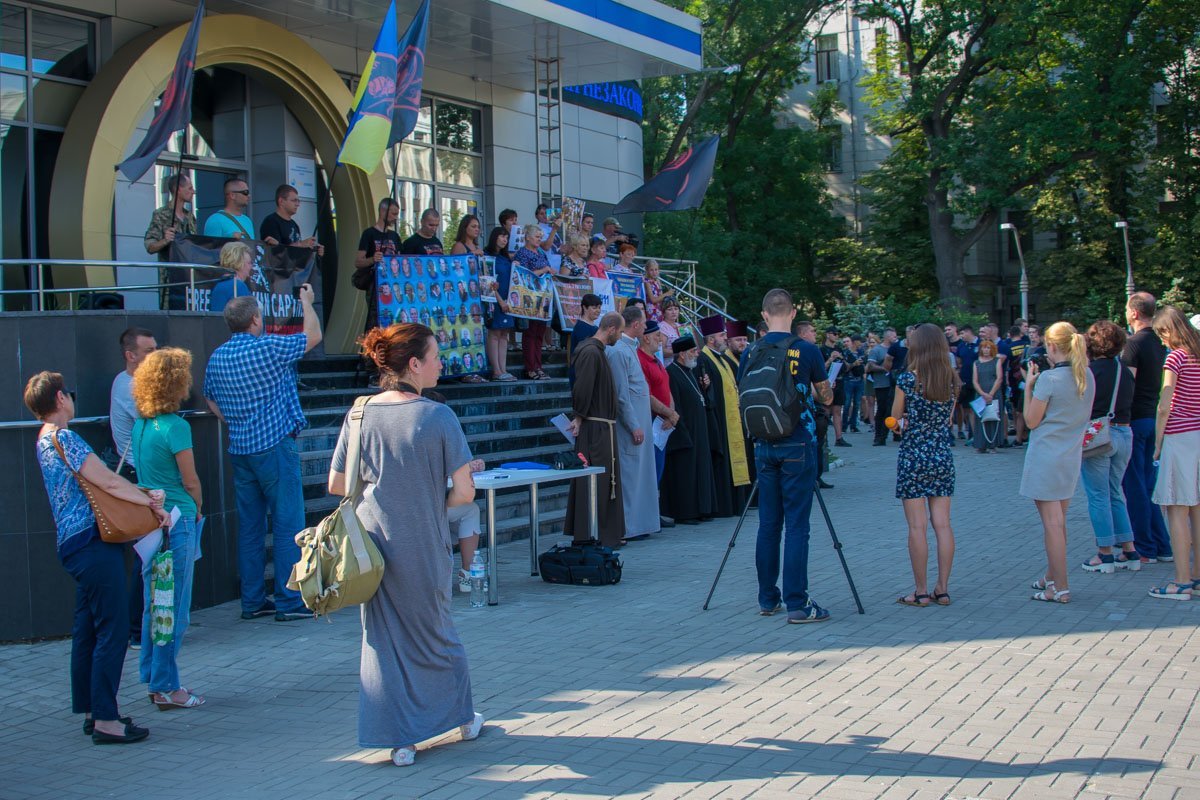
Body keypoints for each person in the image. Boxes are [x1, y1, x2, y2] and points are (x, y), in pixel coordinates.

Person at [326, 323, 483, 766]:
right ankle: (461, 717)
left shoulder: (359, 413)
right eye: (435, 355)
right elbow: (465, 492)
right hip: (421, 538)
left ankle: (399, 739)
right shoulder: (438, 415)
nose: (440, 362)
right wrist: (432, 497)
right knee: (436, 633)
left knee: (383, 639)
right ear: (413, 364)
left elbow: (338, 482)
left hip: (369, 543)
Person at [25, 371, 167, 744]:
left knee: (88, 629)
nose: (72, 397)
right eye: (68, 392)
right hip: (91, 542)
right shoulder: (65, 437)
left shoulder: (42, 439)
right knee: (113, 629)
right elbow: (105, 479)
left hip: (71, 545)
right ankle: (106, 719)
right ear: (59, 398)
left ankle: (92, 709)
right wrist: (149, 501)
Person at [202, 290, 321, 622]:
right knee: (288, 525)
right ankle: (289, 600)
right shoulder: (267, 348)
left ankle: (253, 601)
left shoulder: (218, 357)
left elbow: (210, 400)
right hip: (274, 447)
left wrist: (237, 421)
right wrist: (307, 303)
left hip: (240, 449)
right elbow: (313, 337)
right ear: (255, 319)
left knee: (251, 528)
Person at [750, 289, 832, 623]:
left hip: (763, 443)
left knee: (768, 524)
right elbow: (826, 397)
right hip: (798, 441)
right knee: (797, 525)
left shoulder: (751, 350)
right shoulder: (807, 349)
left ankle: (768, 598)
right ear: (794, 312)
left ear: (765, 314)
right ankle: (797, 602)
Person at [130, 347, 205, 710]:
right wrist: (198, 507)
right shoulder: (177, 426)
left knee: (154, 603)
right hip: (178, 520)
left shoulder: (141, 424)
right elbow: (190, 482)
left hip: (152, 522)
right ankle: (166, 685)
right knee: (175, 607)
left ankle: (154, 677)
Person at [1023, 322, 1095, 604]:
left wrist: (1029, 386)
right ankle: (1053, 576)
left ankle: (1060, 586)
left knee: (1052, 525)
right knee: (1058, 522)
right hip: (1069, 455)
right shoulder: (1085, 375)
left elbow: (1031, 420)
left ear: (1051, 347)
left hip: (1046, 457)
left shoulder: (1049, 380)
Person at [891, 324, 960, 607]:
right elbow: (947, 418)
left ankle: (920, 591)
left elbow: (894, 421)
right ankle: (942, 588)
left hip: (913, 456)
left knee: (917, 527)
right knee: (943, 525)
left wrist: (902, 421)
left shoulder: (908, 380)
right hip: (941, 454)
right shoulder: (951, 379)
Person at [1147, 307, 1200, 600]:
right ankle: (1197, 576)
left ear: (1168, 330)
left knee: (1177, 509)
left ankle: (1181, 582)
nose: (1162, 341)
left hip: (1180, 436)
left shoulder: (1176, 357)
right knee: (1197, 508)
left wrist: (1158, 443)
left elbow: (1164, 403)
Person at [1078, 320, 1138, 574]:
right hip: (1124, 430)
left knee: (1098, 495)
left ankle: (1104, 554)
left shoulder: (1092, 371)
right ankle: (1129, 549)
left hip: (1100, 434)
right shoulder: (1122, 368)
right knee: (1115, 493)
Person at [110, 327, 157, 648]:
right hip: (139, 479)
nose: (156, 357)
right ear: (131, 355)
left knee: (151, 555)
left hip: (143, 476)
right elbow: (157, 413)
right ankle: (136, 629)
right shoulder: (128, 386)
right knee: (147, 556)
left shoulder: (129, 382)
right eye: (149, 352)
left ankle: (141, 626)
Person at [565, 312, 626, 548]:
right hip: (595, 429)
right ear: (610, 328)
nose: (619, 337)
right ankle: (592, 533)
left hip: (603, 428)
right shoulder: (591, 352)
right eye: (619, 332)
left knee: (605, 482)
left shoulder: (597, 351)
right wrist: (579, 417)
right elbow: (583, 388)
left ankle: (605, 533)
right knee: (597, 482)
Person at [1122, 292, 1173, 563]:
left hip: (1134, 420)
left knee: (1135, 486)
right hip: (1152, 418)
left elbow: (1128, 385)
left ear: (1134, 313)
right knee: (1148, 484)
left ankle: (1144, 547)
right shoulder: (1158, 342)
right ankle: (1162, 545)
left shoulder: (1134, 344)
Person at [608, 305, 660, 541]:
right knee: (629, 477)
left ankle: (641, 523)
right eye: (644, 321)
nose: (647, 325)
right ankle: (628, 526)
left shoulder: (631, 348)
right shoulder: (619, 351)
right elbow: (621, 394)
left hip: (641, 421)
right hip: (631, 424)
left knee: (642, 476)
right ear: (636, 324)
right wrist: (633, 424)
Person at [696, 315, 751, 517]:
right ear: (711, 339)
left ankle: (736, 504)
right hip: (718, 420)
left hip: (730, 420)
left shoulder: (723, 360)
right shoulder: (703, 359)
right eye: (721, 335)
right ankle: (725, 506)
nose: (725, 337)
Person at [661, 336, 717, 524]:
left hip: (699, 430)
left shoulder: (691, 372)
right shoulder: (672, 373)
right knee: (686, 474)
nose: (697, 354)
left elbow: (700, 399)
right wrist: (682, 430)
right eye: (693, 351)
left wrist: (705, 388)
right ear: (683, 354)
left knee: (699, 472)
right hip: (684, 432)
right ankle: (686, 513)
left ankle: (702, 509)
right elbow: (674, 404)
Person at [143, 173, 197, 310]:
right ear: (179, 189)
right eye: (190, 188)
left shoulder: (190, 217)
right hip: (170, 281)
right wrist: (165, 240)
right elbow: (150, 246)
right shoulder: (161, 215)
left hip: (190, 279)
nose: (193, 192)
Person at [637, 319, 679, 484]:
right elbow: (645, 395)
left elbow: (667, 389)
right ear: (646, 338)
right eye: (657, 336)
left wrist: (671, 414)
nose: (661, 340)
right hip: (652, 421)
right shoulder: (640, 359)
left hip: (663, 422)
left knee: (658, 470)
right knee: (651, 471)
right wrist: (669, 413)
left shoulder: (656, 360)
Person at [352, 199, 402, 332]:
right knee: (375, 321)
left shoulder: (394, 236)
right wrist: (372, 259)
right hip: (375, 285)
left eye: (397, 214)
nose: (395, 218)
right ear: (383, 211)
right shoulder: (369, 234)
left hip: (392, 284)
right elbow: (358, 261)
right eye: (393, 214)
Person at [513, 223, 553, 380]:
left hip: (543, 297)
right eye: (536, 237)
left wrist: (550, 271)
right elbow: (524, 275)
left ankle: (538, 365)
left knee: (539, 333)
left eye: (540, 237)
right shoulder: (522, 253)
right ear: (527, 237)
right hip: (530, 296)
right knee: (530, 333)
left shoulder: (541, 252)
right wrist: (544, 270)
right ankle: (530, 367)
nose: (539, 239)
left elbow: (547, 268)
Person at [483, 226, 517, 382]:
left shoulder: (505, 258)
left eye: (506, 237)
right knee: (495, 333)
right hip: (494, 300)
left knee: (504, 335)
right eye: (502, 236)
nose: (504, 240)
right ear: (495, 237)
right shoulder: (487, 256)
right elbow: (488, 282)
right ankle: (496, 370)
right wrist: (500, 300)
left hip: (508, 300)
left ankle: (503, 369)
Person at [204, 177, 273, 243]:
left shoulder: (247, 220)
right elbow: (210, 251)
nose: (249, 195)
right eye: (245, 192)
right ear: (232, 195)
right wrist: (229, 241)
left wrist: (270, 245)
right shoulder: (215, 220)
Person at [260, 184, 323, 255]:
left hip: (295, 266)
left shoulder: (294, 224)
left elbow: (297, 253)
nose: (297, 204)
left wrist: (313, 249)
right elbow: (275, 253)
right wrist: (300, 244)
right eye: (294, 200)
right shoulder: (271, 222)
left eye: (298, 201)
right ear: (281, 201)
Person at [1000, 325, 1030, 445]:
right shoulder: (1026, 345)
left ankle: (1019, 433)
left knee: (1016, 409)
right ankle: (1024, 434)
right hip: (1026, 378)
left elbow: (1007, 365)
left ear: (1010, 334)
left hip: (1014, 380)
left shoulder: (1008, 347)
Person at [820, 328, 850, 448]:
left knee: (837, 411)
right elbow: (820, 367)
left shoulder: (839, 350)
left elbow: (847, 367)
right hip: (827, 382)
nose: (837, 336)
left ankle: (839, 438)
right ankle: (823, 438)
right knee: (826, 411)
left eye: (838, 334)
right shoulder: (821, 350)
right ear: (828, 335)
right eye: (834, 334)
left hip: (839, 382)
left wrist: (842, 358)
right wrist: (831, 359)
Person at [972, 339, 1003, 453]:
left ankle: (993, 444)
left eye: (988, 347)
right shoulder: (976, 363)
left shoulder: (997, 361)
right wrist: (982, 394)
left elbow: (999, 378)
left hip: (994, 393)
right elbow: (975, 381)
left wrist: (990, 394)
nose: (986, 350)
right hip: (981, 394)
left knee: (993, 417)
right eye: (984, 347)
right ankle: (980, 444)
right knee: (981, 418)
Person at [868, 328, 897, 446]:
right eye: (893, 337)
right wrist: (884, 368)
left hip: (894, 384)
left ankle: (897, 433)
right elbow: (870, 366)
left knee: (895, 409)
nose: (896, 339)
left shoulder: (896, 349)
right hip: (881, 384)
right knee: (882, 409)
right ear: (887, 337)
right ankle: (879, 435)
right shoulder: (877, 350)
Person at [209, 241, 254, 314]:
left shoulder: (219, 286)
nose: (251, 267)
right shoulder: (238, 286)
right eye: (249, 263)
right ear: (238, 263)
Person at [568, 293, 603, 386]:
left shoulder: (595, 327)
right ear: (584, 307)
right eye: (594, 307)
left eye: (599, 307)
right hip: (582, 375)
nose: (598, 311)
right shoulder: (581, 328)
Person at [954, 324, 980, 441]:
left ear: (968, 332)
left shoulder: (980, 344)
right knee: (966, 408)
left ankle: (978, 433)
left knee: (977, 408)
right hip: (965, 381)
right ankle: (972, 433)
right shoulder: (961, 346)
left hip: (978, 382)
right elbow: (959, 362)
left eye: (962, 334)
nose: (961, 336)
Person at [842, 334, 866, 434]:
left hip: (859, 380)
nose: (861, 344)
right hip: (848, 381)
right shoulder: (846, 353)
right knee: (847, 404)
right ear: (855, 341)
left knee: (857, 404)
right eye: (860, 341)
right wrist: (854, 364)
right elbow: (844, 368)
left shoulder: (861, 352)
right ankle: (844, 426)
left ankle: (853, 425)